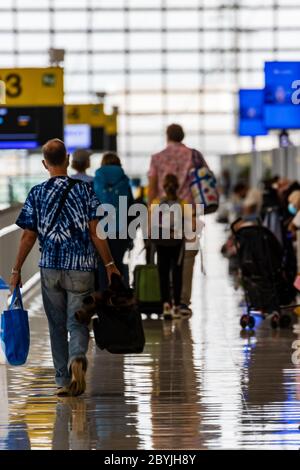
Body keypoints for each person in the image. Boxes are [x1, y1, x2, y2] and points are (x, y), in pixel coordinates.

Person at [10, 139, 120, 397]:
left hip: (50, 267)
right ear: (67, 159)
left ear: (44, 163)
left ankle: (62, 380)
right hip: (81, 267)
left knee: (56, 325)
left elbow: (28, 235)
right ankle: (77, 358)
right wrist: (110, 265)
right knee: (78, 321)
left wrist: (16, 269)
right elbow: (96, 232)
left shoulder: (37, 193)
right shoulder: (84, 191)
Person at [148, 123, 209, 315]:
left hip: (163, 215)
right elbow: (205, 181)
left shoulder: (157, 158)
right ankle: (182, 303)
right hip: (188, 213)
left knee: (164, 260)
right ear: (183, 136)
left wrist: (150, 218)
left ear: (167, 136)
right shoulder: (194, 156)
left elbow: (151, 188)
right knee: (186, 259)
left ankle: (166, 300)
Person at [93, 152, 134, 290]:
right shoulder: (124, 181)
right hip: (121, 231)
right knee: (118, 264)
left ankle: (105, 300)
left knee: (103, 265)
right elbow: (131, 209)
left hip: (100, 231)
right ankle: (119, 298)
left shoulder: (96, 181)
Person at [150, 174, 185, 320]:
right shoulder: (183, 203)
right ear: (177, 186)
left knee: (162, 274)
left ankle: (165, 305)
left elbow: (151, 224)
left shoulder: (156, 202)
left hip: (160, 242)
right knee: (177, 274)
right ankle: (176, 307)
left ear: (163, 187)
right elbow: (189, 225)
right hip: (177, 243)